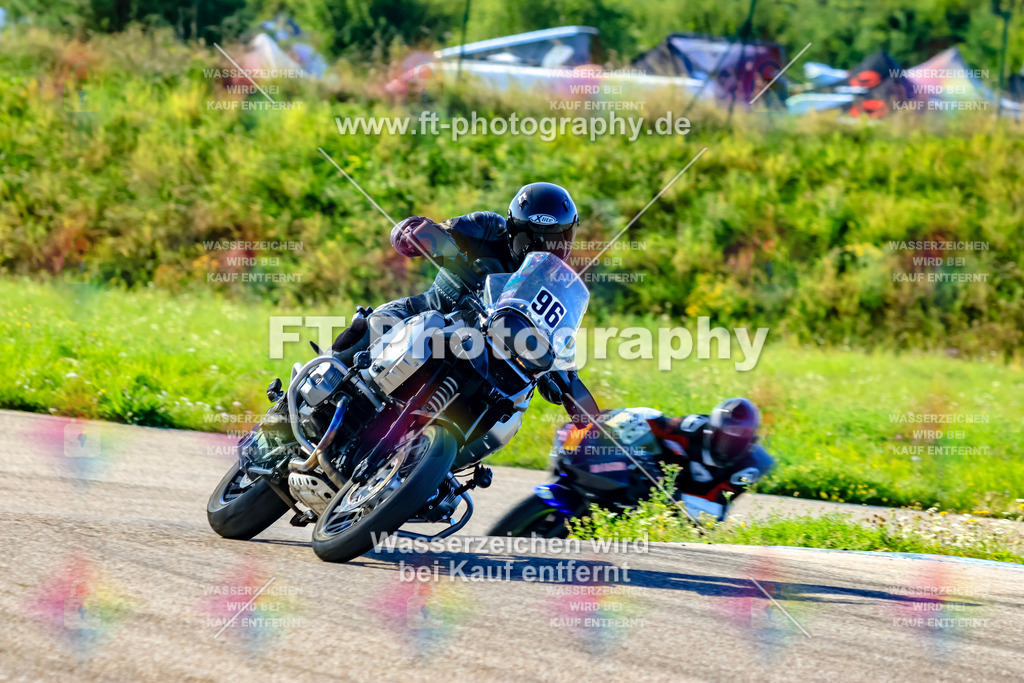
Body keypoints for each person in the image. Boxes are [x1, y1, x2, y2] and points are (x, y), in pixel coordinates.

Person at [330, 182, 599, 425]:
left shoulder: (555, 286)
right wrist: (421, 234)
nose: (543, 247)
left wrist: (568, 385)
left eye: (555, 239)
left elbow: (559, 340)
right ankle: (303, 396)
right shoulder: (488, 229)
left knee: (505, 415)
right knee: (369, 329)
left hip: (487, 362)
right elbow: (434, 230)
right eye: (532, 238)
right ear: (513, 229)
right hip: (426, 314)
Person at [645, 398, 775, 521]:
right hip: (668, 480)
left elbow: (715, 500)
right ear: (711, 429)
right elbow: (656, 425)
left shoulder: (752, 466)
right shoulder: (693, 428)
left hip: (704, 506)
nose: (728, 446)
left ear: (751, 441)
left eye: (738, 441)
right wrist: (638, 417)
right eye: (723, 437)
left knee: (707, 522)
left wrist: (672, 495)